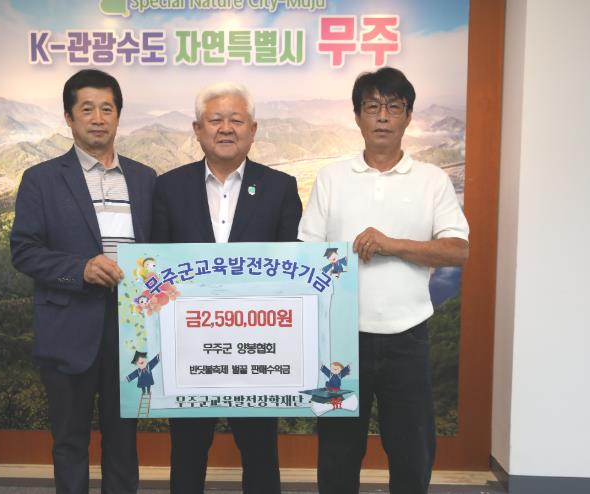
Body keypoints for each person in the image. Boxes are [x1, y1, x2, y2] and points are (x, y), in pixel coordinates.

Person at [298, 67, 470, 494]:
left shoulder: (432, 180)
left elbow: (457, 250)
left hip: (407, 337)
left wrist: (391, 245)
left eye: (394, 107)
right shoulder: (332, 178)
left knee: (411, 451)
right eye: (372, 106)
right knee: (337, 452)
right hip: (340, 341)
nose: (382, 116)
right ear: (357, 116)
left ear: (408, 117)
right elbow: (306, 254)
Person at [151, 82, 302, 494]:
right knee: (187, 453)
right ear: (197, 129)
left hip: (258, 350)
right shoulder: (168, 187)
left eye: (236, 119)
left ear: (253, 130)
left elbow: (293, 270)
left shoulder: (280, 187)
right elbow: (156, 268)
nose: (226, 128)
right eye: (215, 119)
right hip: (189, 350)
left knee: (260, 453)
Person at [10, 69, 156, 494]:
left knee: (124, 440)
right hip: (68, 326)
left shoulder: (144, 178)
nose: (97, 118)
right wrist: (80, 269)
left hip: (131, 330)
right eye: (87, 109)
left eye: (107, 109)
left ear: (118, 116)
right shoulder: (41, 179)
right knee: (70, 440)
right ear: (69, 118)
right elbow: (24, 250)